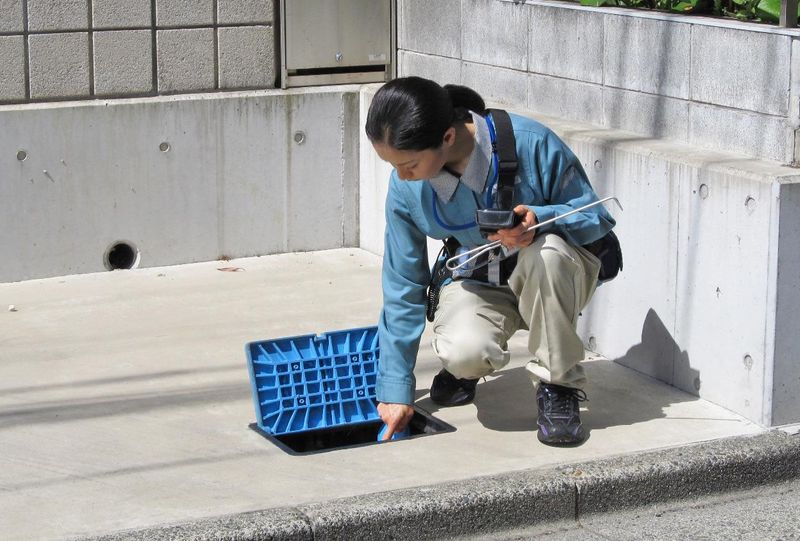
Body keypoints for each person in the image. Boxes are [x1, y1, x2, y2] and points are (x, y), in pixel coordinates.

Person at [365, 76, 615, 446]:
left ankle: (558, 385)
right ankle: (466, 369)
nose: (401, 176)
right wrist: (395, 385)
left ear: (447, 137)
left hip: (552, 273)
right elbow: (404, 282)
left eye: (410, 164)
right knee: (463, 351)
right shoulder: (406, 188)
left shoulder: (532, 143)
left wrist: (541, 219)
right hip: (479, 277)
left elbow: (598, 217)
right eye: (394, 165)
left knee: (546, 254)